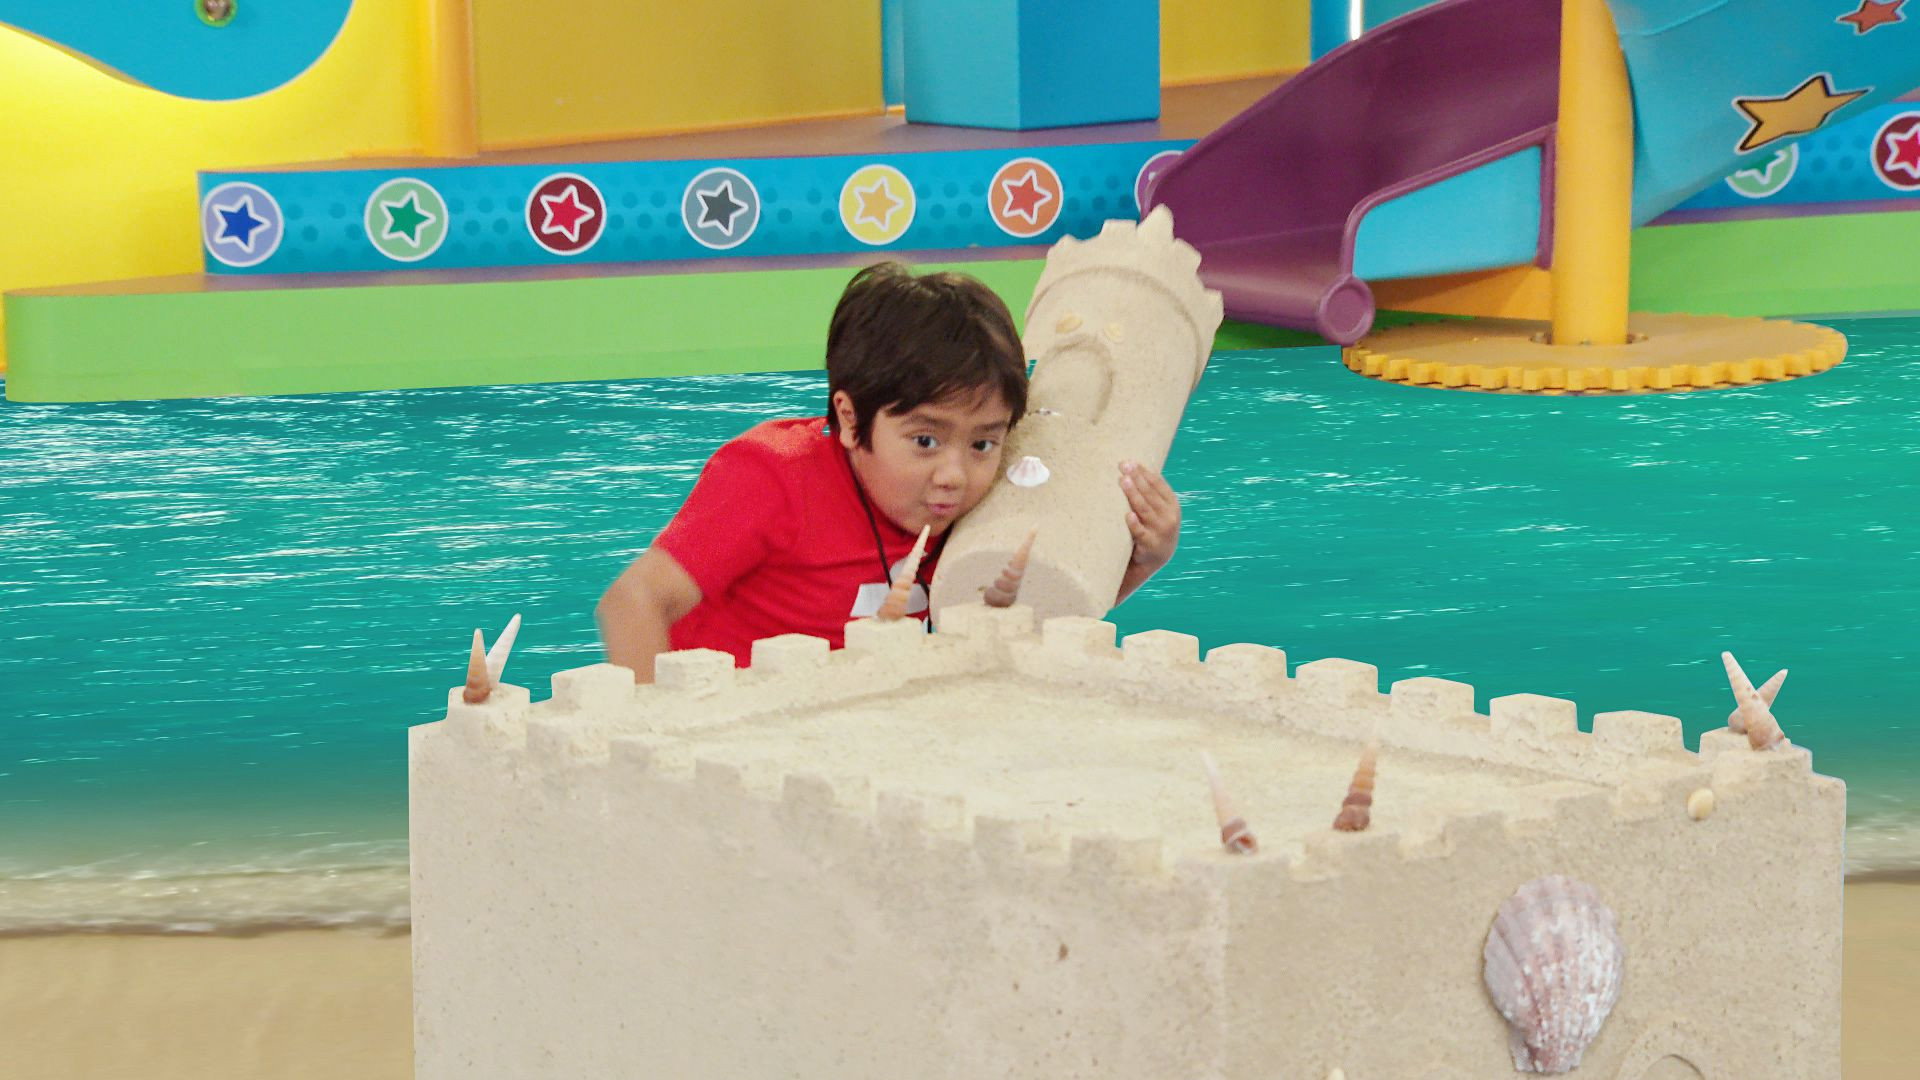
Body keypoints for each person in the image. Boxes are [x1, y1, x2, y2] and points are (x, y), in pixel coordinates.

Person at [596, 262, 1182, 681]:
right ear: (852, 420)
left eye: (983, 442)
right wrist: (655, 740)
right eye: (925, 441)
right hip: (728, 718)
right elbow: (632, 601)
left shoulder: (980, 496)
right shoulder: (772, 478)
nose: (954, 475)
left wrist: (1139, 561)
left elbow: (1025, 625)